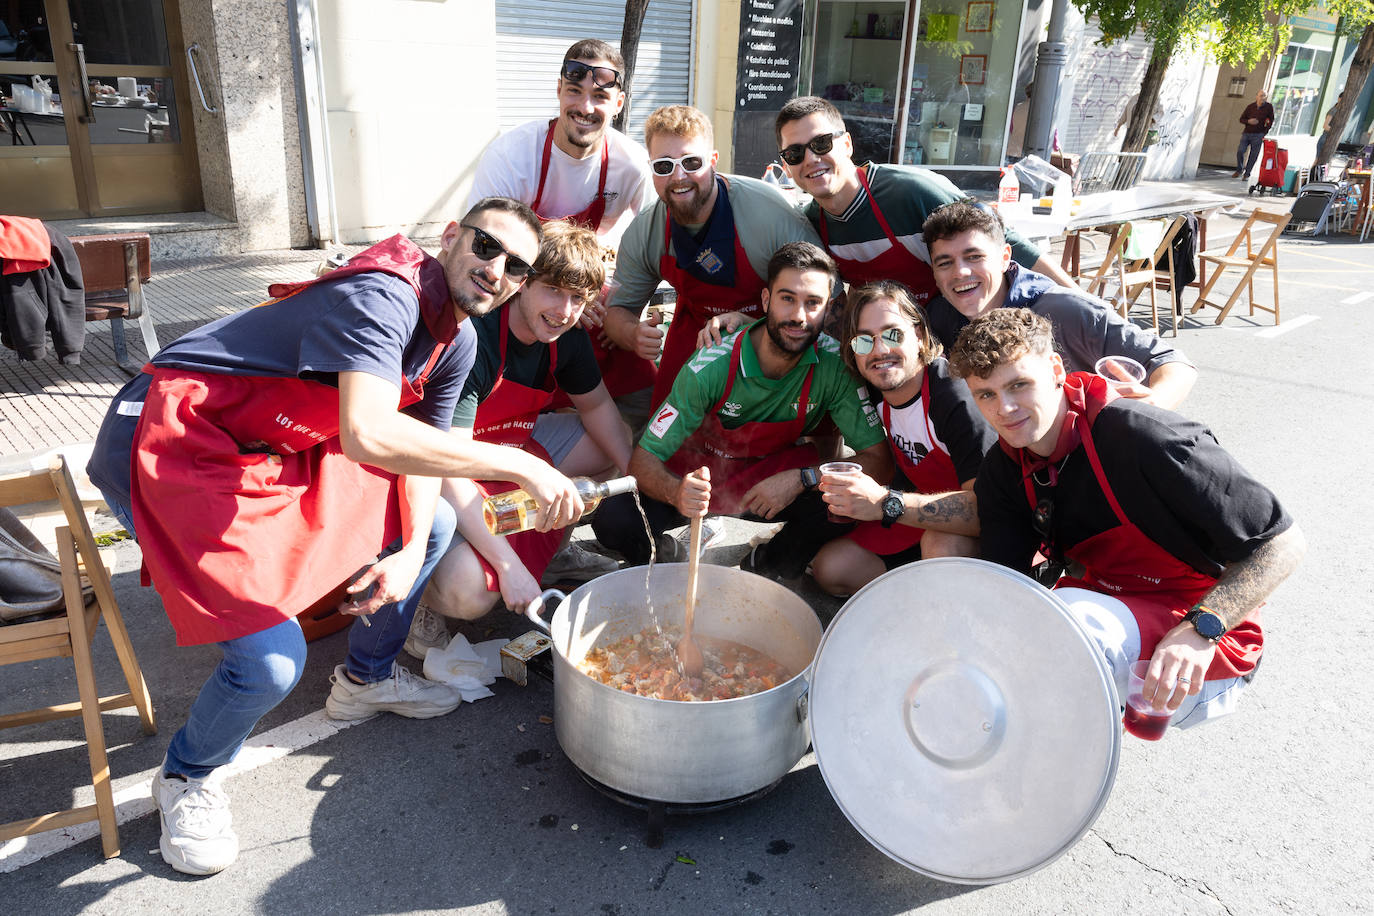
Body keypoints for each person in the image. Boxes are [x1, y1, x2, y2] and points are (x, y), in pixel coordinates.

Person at [85, 198, 585, 877]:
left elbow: (429, 456)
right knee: (270, 662)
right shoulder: (384, 294)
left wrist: (409, 554)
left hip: (260, 448)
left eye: (517, 266)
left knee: (431, 522)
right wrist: (521, 464)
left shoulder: (457, 340)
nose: (497, 269)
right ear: (450, 237)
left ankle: (366, 678)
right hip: (168, 439)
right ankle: (186, 776)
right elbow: (368, 433)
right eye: (486, 246)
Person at [949, 308, 1305, 730]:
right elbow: (1006, 586)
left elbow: (1283, 543)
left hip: (1205, 637)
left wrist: (1202, 628)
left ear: (1056, 369)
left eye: (1019, 385)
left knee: (1066, 629)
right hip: (1105, 607)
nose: (1004, 409)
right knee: (1003, 637)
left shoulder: (1146, 435)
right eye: (985, 395)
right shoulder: (1003, 467)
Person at [592, 242, 891, 578]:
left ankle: (770, 562)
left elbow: (878, 462)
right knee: (614, 521)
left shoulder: (835, 365)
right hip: (697, 475)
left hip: (769, 480)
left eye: (813, 303)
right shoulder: (710, 366)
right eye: (787, 298)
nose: (798, 316)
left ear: (830, 308)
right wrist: (676, 492)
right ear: (766, 300)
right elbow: (643, 459)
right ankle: (666, 557)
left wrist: (803, 478)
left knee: (845, 505)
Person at [408, 220, 633, 653]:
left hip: (508, 447)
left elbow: (599, 407)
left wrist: (637, 479)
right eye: (553, 290)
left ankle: (552, 552)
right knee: (469, 592)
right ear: (523, 280)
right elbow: (449, 466)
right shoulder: (477, 336)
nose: (565, 311)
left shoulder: (564, 334)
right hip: (436, 469)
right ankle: (420, 595)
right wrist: (508, 567)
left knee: (610, 443)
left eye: (577, 299)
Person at [466, 38, 656, 419]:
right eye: (574, 92)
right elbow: (478, 253)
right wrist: (549, 296)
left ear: (618, 105)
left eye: (600, 97)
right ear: (558, 91)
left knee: (643, 406)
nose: (585, 108)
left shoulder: (632, 164)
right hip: (514, 303)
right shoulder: (512, 156)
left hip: (591, 309)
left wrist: (625, 307)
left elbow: (657, 244)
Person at [602, 104, 831, 411]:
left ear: (712, 161)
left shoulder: (769, 213)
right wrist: (633, 334)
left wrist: (756, 331)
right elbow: (618, 311)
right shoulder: (646, 230)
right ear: (651, 168)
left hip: (778, 335)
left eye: (691, 162)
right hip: (695, 332)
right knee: (668, 441)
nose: (679, 177)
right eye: (664, 166)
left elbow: (825, 304)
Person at [774, 96, 1078, 301]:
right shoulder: (812, 223)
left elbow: (1003, 240)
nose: (811, 159)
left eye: (821, 143)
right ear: (786, 165)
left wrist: (1084, 306)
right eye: (795, 153)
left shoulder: (912, 192)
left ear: (847, 144)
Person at [809, 281, 994, 597]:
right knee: (832, 569)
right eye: (864, 341)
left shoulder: (953, 398)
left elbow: (988, 511)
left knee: (940, 544)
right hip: (918, 510)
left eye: (892, 335)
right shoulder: (872, 387)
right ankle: (923, 593)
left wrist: (883, 503)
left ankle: (946, 616)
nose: (879, 351)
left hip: (986, 528)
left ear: (919, 336)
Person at [921, 201, 1197, 409]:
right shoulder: (940, 319)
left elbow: (1173, 363)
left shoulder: (1066, 309)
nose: (960, 273)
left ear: (1005, 257)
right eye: (945, 262)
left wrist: (1152, 405)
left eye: (974, 256)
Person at [1233, 89, 1275, 179]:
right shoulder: (1250, 107)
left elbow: (1271, 120)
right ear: (1256, 96)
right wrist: (1248, 121)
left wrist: (1264, 132)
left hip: (1258, 134)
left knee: (1253, 155)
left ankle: (1247, 173)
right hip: (1247, 133)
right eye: (1261, 95)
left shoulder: (1269, 107)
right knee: (1240, 151)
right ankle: (1239, 170)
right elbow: (1241, 119)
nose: (1262, 98)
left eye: (1264, 96)